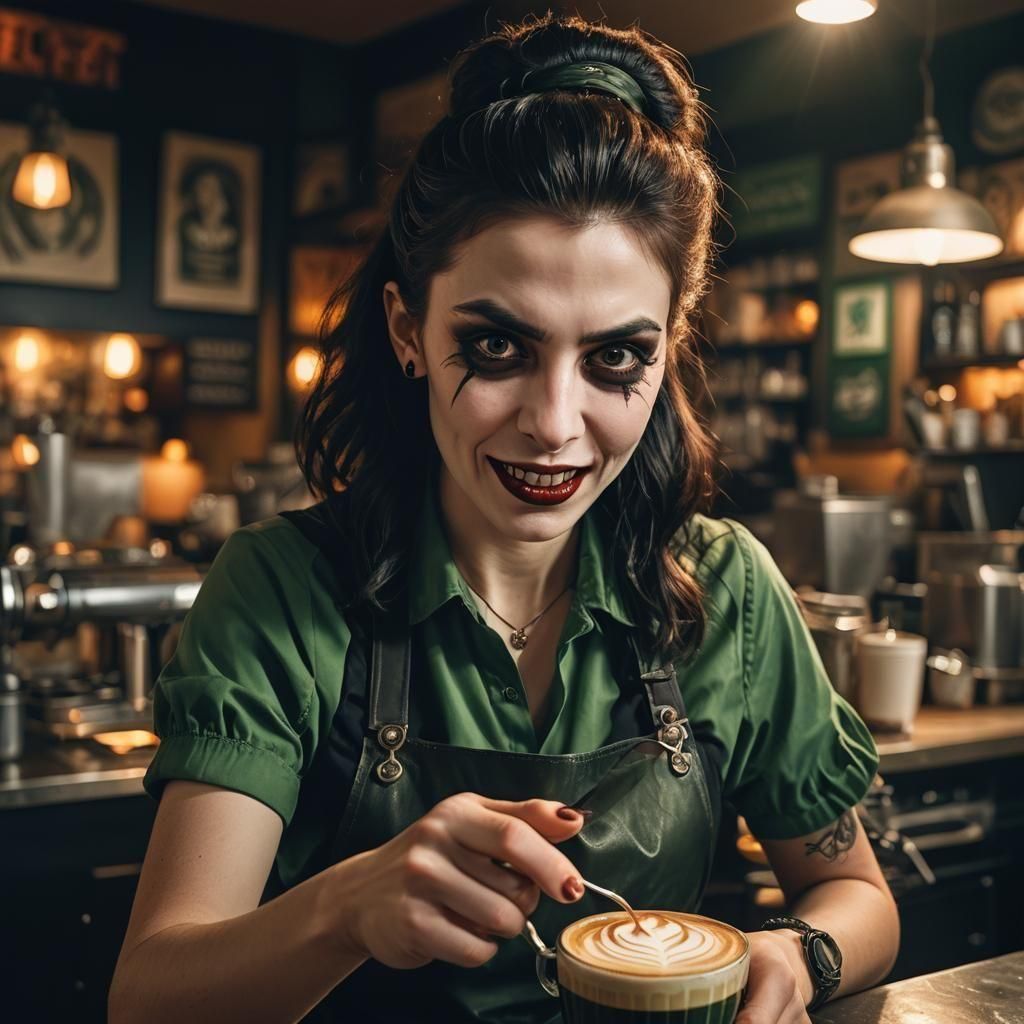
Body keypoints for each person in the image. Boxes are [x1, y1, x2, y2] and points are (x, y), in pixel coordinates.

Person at [109, 13, 898, 1024]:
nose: (555, 425)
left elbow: (858, 897)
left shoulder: (727, 590)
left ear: (666, 352)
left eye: (616, 356)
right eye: (496, 346)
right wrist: (343, 909)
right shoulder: (281, 592)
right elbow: (149, 996)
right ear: (408, 330)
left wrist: (799, 954)